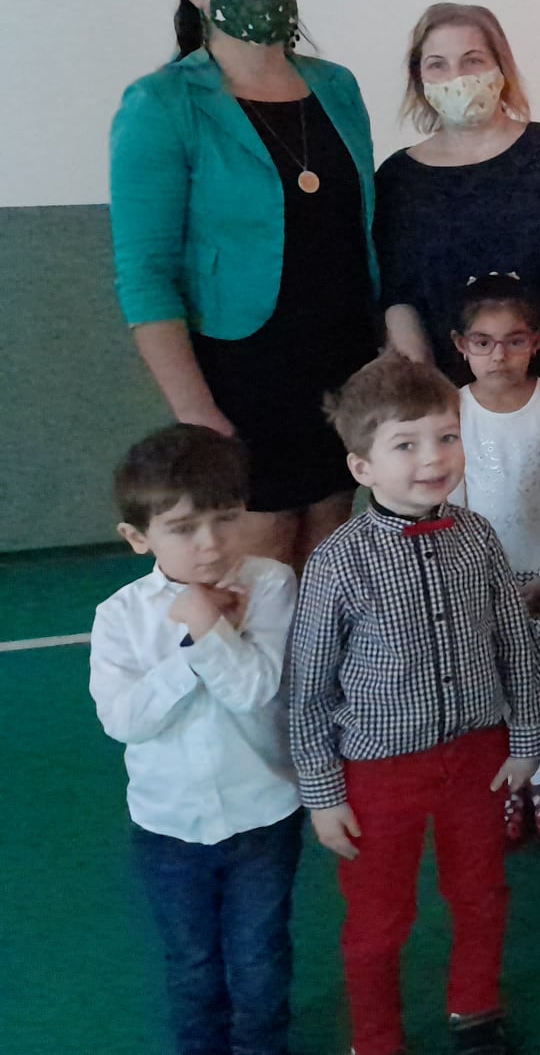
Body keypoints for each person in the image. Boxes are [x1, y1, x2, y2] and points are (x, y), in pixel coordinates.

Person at [373, 2, 540, 762]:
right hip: (459, 401)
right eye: (438, 64)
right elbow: (397, 294)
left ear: (501, 66)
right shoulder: (399, 180)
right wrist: (426, 391)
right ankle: (485, 686)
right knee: (467, 536)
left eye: (472, 60)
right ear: (419, 78)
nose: (457, 77)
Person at [287, 355, 540, 1055]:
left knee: (481, 891)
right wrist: (323, 794)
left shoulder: (478, 537)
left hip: (478, 756)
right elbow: (308, 690)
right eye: (405, 444)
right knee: (379, 916)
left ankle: (476, 1007)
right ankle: (375, 1038)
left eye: (446, 437)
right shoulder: (337, 562)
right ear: (362, 467)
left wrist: (527, 738)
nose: (433, 458)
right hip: (377, 771)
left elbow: (515, 642)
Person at [110, 0, 377, 567]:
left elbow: (360, 229)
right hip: (241, 371)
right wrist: (194, 409)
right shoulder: (162, 102)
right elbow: (145, 274)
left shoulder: (338, 87)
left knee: (328, 559)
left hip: (340, 363)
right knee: (259, 570)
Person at [90, 425, 302, 1055]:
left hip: (263, 816)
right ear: (138, 537)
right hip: (168, 827)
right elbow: (123, 720)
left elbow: (254, 689)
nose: (211, 543)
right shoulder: (120, 616)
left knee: (260, 957)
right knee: (191, 962)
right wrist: (194, 646)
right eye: (183, 528)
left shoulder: (271, 584)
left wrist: (209, 627)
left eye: (226, 518)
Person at [447, 275, 540, 841]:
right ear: (461, 345)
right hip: (483, 579)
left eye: (513, 341)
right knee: (498, 681)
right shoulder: (454, 410)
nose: (498, 355)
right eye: (483, 342)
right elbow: (453, 500)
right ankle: (512, 777)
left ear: (536, 340)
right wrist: (477, 578)